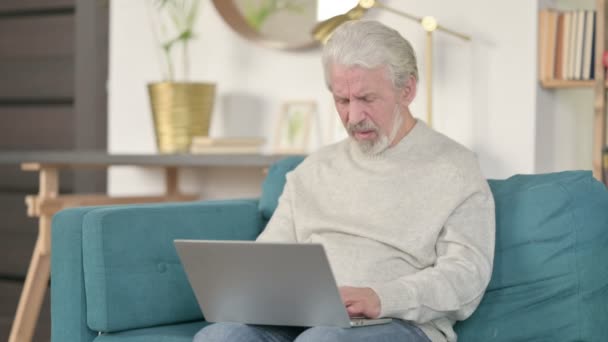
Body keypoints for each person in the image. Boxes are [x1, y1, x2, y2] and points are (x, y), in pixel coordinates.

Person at [193, 20, 495, 342]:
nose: (353, 117)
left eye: (367, 98)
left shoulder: (455, 168)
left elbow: (466, 276)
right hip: (299, 320)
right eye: (342, 100)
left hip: (396, 323)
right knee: (220, 337)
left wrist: (381, 298)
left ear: (406, 90)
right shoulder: (313, 169)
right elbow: (267, 257)